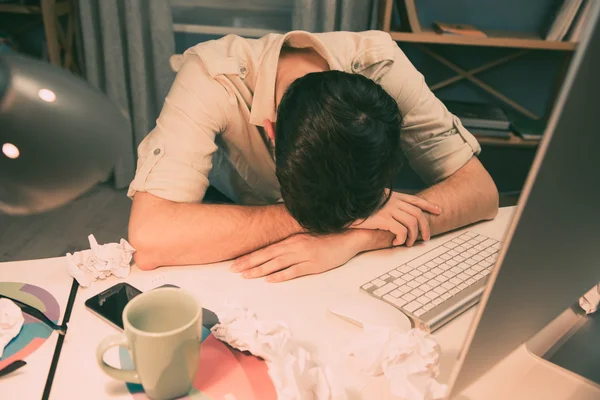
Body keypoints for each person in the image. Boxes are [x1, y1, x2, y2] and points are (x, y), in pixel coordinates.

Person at [127, 30, 499, 282]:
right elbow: (149, 238)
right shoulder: (211, 74)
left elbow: (481, 192)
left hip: (351, 256)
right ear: (271, 129)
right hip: (239, 219)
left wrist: (353, 240)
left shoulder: (382, 65)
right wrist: (330, 219)